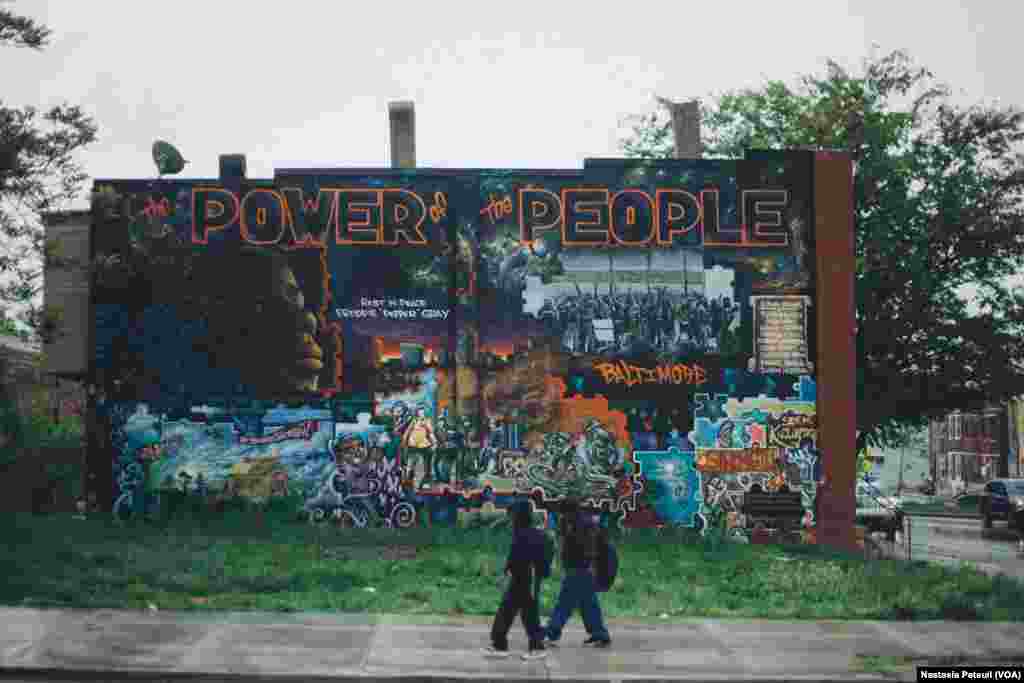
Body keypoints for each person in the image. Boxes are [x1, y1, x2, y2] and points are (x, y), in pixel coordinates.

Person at [482, 501, 549, 660]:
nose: (510, 518)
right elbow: (515, 556)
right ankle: (503, 645)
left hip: (526, 579)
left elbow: (519, 557)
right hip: (523, 579)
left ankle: (529, 647)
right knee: (514, 611)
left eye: (512, 515)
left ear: (519, 516)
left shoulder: (526, 534)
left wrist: (505, 574)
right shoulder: (526, 532)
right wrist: (507, 573)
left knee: (520, 612)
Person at [543, 499, 611, 648]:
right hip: (584, 570)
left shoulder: (579, 526)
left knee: (565, 602)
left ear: (569, 512)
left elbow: (582, 549)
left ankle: (552, 632)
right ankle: (599, 634)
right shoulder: (581, 523)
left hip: (578, 569)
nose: (561, 516)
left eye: (563, 513)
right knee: (588, 604)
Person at [402, 405, 438, 488]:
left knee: (425, 465)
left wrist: (435, 442)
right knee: (410, 464)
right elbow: (407, 432)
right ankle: (409, 481)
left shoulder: (427, 421)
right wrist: (404, 441)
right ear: (417, 413)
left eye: (423, 411)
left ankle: (425, 481)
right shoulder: (414, 421)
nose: (422, 413)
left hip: (424, 446)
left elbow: (430, 433)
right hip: (413, 446)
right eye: (420, 411)